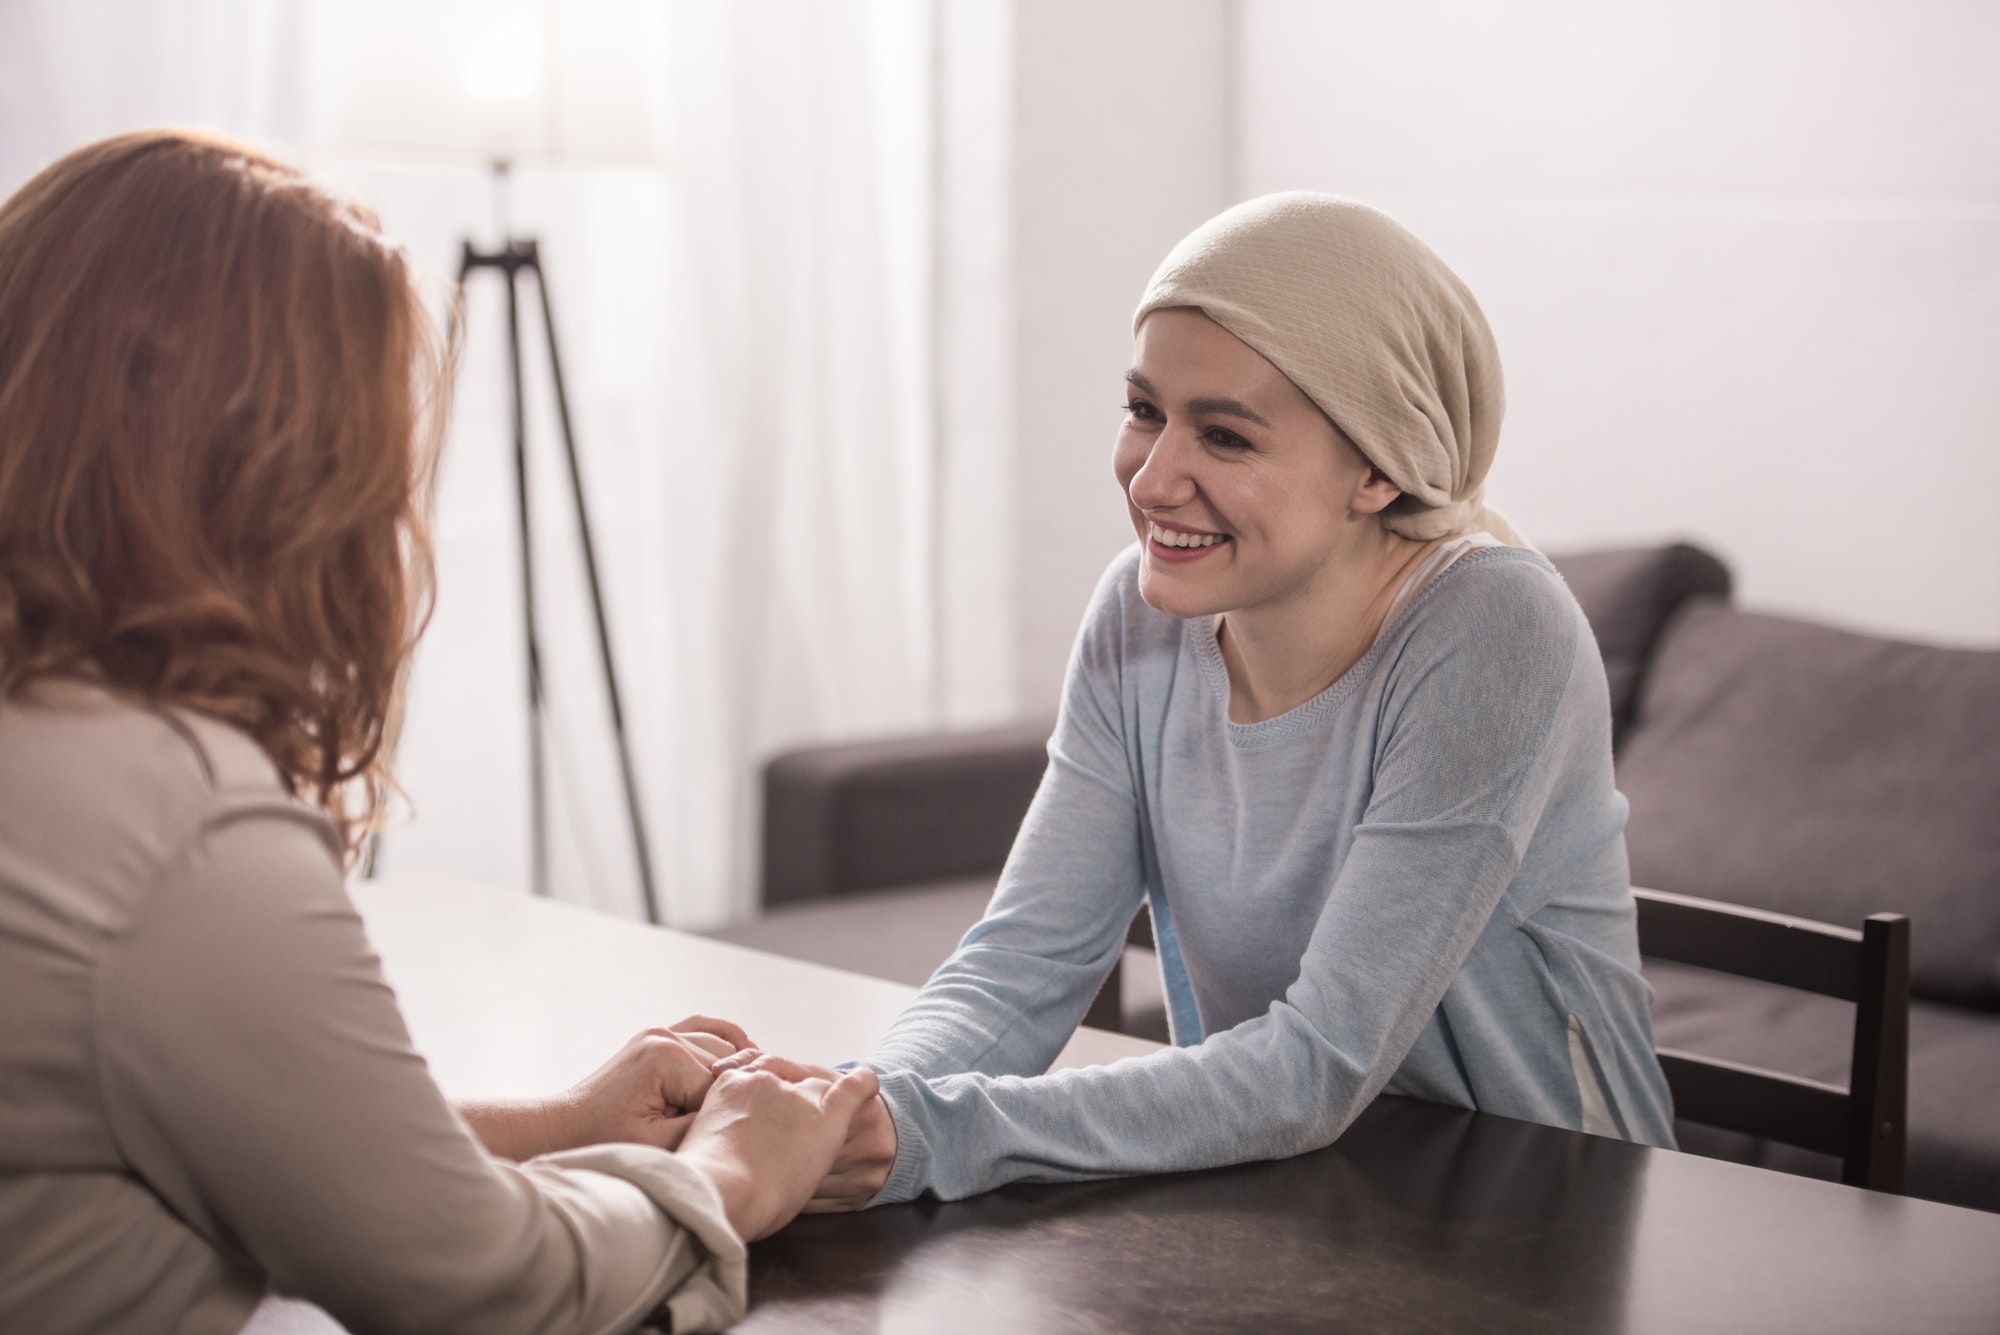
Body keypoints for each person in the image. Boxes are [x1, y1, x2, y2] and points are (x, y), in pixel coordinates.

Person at [0, 129, 877, 1334]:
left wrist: (561, 1127)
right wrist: (728, 1170)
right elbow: (484, 1287)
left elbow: (249, 1141)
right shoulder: (178, 835)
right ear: (281, 474)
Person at [802, 193, 1677, 1210]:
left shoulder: (1491, 629)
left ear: (1378, 471)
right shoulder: (1136, 617)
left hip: (1534, 1230)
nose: (1153, 479)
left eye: (1223, 437)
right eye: (1143, 413)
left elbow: (1319, 1061)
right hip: (1279, 1192)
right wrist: (847, 1106)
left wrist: (926, 1135)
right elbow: (1023, 961)